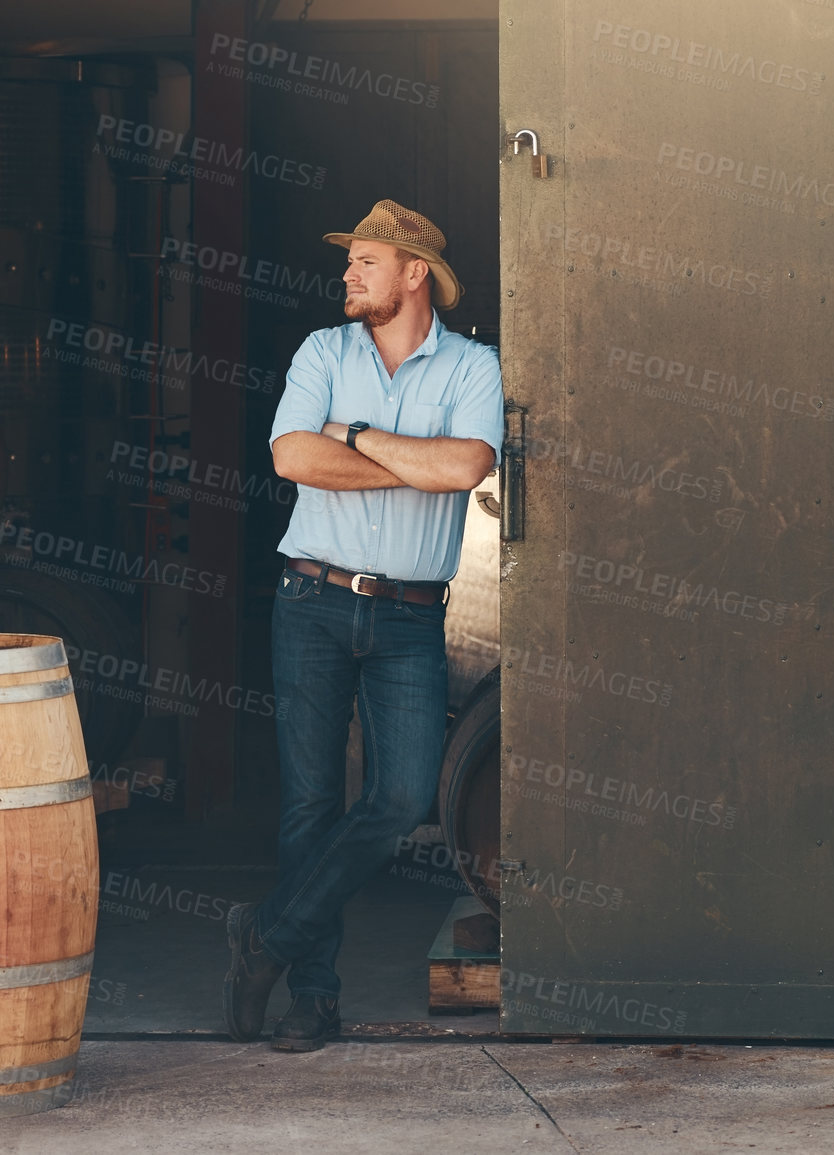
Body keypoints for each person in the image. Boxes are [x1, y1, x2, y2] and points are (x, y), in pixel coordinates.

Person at [224, 199, 505, 1051]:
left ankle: (262, 940)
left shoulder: (471, 367)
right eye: (349, 261)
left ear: (414, 273)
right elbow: (291, 456)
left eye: (366, 261)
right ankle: (313, 998)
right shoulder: (321, 351)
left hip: (412, 618)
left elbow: (465, 464)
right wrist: (401, 463)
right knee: (310, 805)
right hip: (310, 600)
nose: (347, 274)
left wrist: (356, 435)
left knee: (400, 797)